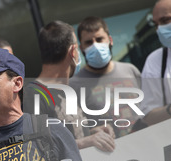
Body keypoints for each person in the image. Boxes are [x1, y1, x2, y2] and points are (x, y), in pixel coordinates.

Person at [24, 20, 115, 152]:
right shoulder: (32, 96)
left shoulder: (68, 90)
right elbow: (38, 148)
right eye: (77, 48)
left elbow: (70, 134)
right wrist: (85, 142)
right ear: (73, 52)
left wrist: (93, 132)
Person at [70, 16, 141, 137]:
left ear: (110, 40)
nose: (95, 45)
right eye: (88, 42)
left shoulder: (130, 70)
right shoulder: (74, 86)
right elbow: (75, 132)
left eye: (99, 39)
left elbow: (149, 109)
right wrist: (92, 132)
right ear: (81, 48)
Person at [140, 0, 171, 126]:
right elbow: (148, 116)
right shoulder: (155, 60)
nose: (159, 29)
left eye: (165, 21)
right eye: (156, 24)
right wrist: (170, 110)